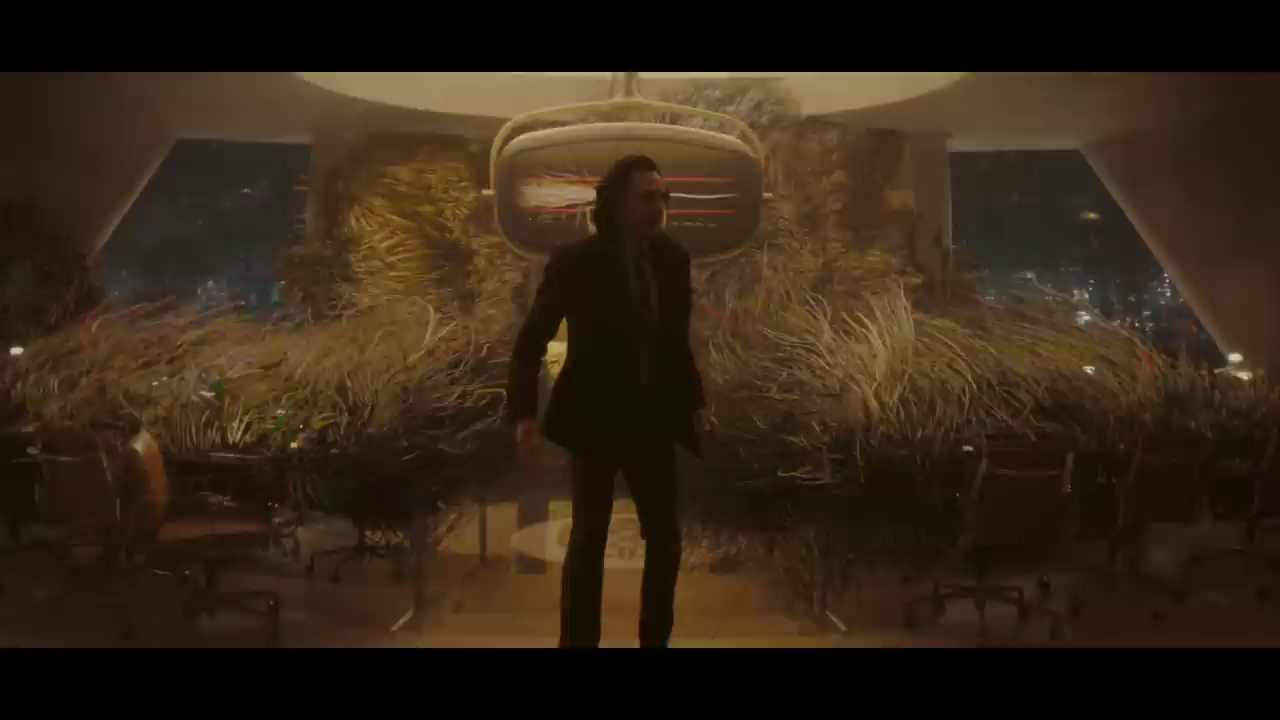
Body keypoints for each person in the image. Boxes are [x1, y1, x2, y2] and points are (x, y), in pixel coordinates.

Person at [506, 154, 706, 648]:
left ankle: (654, 641)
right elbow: (531, 341)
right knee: (588, 539)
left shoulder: (672, 259)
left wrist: (696, 406)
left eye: (663, 197)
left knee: (666, 540)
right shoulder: (576, 262)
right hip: (594, 419)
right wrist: (525, 414)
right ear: (616, 203)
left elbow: (675, 344)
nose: (658, 207)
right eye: (646, 197)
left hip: (653, 421)